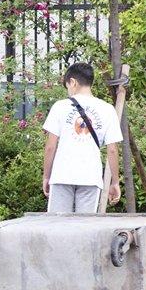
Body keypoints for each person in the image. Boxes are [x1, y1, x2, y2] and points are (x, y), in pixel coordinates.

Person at [42, 62, 122, 214]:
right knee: (85, 227)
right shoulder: (107, 109)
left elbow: (50, 146)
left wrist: (46, 176)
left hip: (61, 176)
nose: (68, 92)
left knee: (56, 227)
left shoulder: (60, 106)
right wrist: (115, 182)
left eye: (68, 87)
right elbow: (112, 150)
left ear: (73, 82)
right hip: (90, 178)